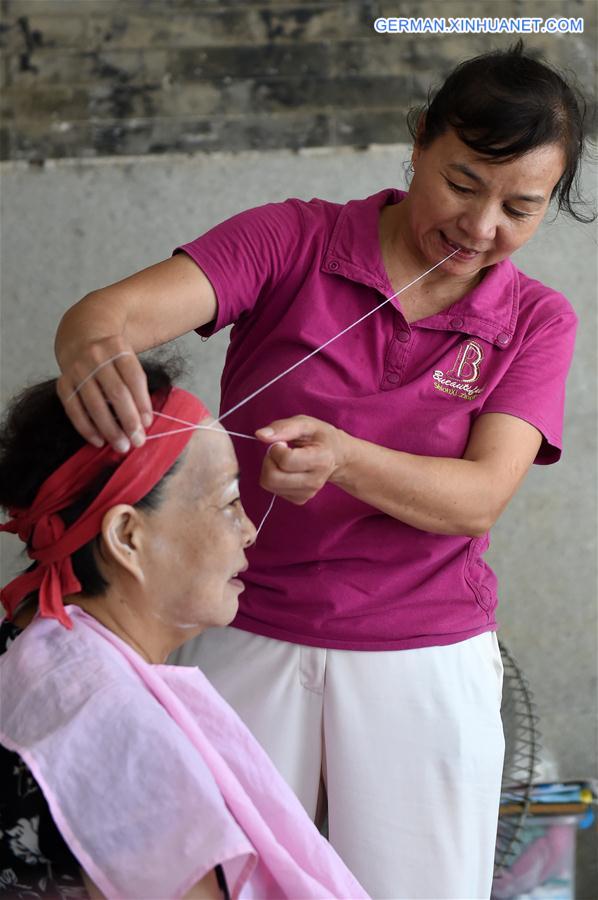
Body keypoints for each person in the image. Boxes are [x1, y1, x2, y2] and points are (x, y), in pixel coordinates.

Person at [52, 43, 592, 898]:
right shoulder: (290, 240)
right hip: (244, 623)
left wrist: (344, 459)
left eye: (520, 208)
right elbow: (109, 315)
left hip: (424, 650)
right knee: (220, 881)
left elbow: (478, 498)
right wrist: (91, 343)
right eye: (461, 184)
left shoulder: (535, 319)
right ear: (418, 141)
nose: (482, 227)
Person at [0, 361, 368, 900]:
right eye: (228, 502)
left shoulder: (24, 645)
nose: (247, 531)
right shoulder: (122, 737)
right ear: (127, 535)